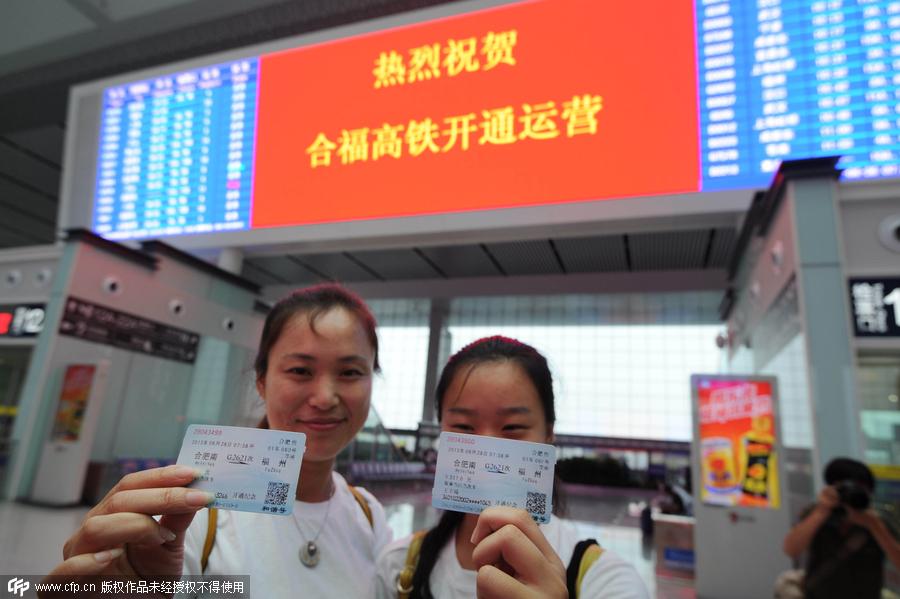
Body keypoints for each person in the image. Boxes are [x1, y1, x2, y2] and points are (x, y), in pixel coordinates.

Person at [48, 283, 393, 597]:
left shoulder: (368, 514)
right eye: (300, 370)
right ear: (261, 381)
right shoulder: (191, 512)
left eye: (350, 372)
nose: (324, 397)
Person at [375, 336, 649, 599]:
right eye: (463, 427)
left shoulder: (605, 581)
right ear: (442, 432)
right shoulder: (397, 565)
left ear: (548, 434)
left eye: (513, 428)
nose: (489, 447)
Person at [782, 457, 900, 599]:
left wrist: (874, 526)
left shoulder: (878, 520)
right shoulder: (818, 513)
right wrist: (821, 511)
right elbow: (791, 549)